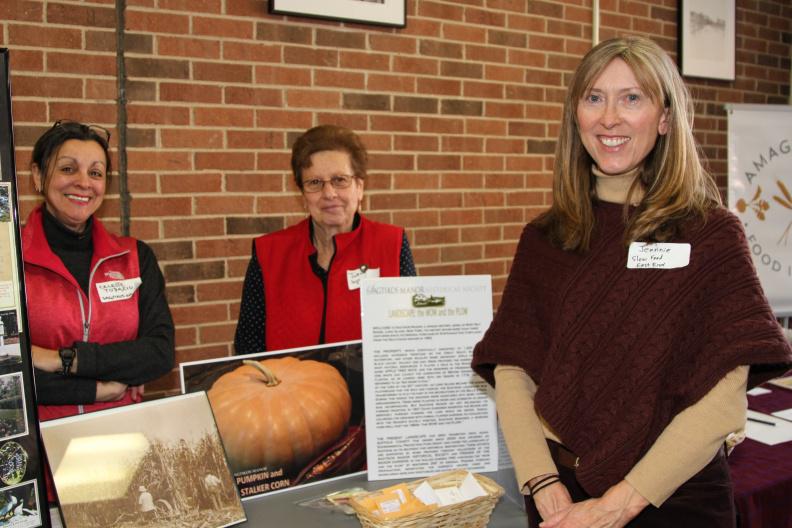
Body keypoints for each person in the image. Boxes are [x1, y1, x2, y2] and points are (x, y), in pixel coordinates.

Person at [472, 37, 792, 527]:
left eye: (632, 98)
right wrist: (542, 484)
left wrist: (620, 503)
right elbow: (514, 370)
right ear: (575, 114)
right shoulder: (544, 238)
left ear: (664, 117)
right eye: (594, 97)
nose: (609, 118)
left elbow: (724, 394)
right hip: (560, 496)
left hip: (675, 498)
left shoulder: (710, 235)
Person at [23, 120, 174, 420]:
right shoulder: (11, 260)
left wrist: (61, 359)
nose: (83, 182)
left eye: (95, 173)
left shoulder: (134, 256)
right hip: (41, 446)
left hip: (124, 439)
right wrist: (97, 390)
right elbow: (9, 376)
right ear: (38, 176)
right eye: (68, 169)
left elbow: (159, 353)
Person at [234, 124, 416, 353]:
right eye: (315, 183)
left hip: (369, 388)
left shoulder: (392, 244)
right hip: (290, 387)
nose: (329, 193)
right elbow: (249, 349)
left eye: (340, 180)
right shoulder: (268, 253)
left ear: (360, 187)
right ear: (302, 193)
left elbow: (412, 336)